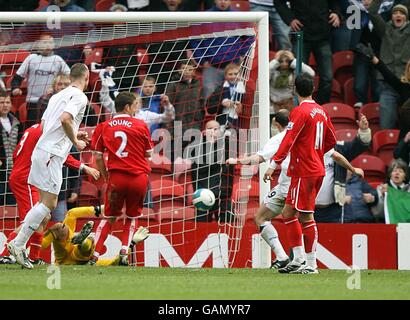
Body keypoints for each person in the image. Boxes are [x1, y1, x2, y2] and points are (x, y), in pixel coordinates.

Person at [227, 109, 364, 268]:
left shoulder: (279, 138)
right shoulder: (310, 136)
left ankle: (297, 259)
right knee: (278, 217)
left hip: (292, 185)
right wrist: (353, 169)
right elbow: (336, 155)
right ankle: (289, 258)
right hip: (295, 185)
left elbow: (258, 158)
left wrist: (237, 161)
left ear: (275, 124)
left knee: (279, 217)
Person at [7, 63, 90, 269]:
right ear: (86, 77)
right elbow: (64, 119)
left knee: (43, 205)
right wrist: (75, 141)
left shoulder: (56, 96)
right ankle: (17, 244)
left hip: (41, 151)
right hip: (52, 154)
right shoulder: (79, 96)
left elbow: (46, 126)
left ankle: (17, 244)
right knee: (49, 204)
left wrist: (74, 132)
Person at [263, 73, 337, 274]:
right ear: (312, 89)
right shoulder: (321, 111)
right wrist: (314, 151)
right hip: (312, 168)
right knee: (289, 213)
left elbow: (288, 139)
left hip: (305, 170)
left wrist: (273, 164)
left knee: (305, 216)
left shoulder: (299, 111)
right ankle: (298, 259)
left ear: (295, 90)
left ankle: (311, 265)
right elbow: (331, 140)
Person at [0, 121, 99, 265]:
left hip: (27, 175)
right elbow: (60, 156)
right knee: (33, 219)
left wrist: (74, 135)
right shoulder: (46, 133)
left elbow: (17, 153)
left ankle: (34, 257)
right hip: (26, 178)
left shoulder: (34, 128)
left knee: (44, 216)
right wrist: (84, 167)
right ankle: (6, 254)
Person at [89, 92, 154, 266]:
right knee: (132, 217)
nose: (137, 108)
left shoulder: (103, 126)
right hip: (138, 178)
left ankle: (94, 255)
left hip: (116, 177)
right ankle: (124, 251)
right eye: (135, 105)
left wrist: (106, 177)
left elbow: (97, 157)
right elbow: (149, 153)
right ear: (127, 107)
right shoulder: (140, 125)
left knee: (109, 217)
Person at [275, 0, 341, 105]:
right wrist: (290, 19)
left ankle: (319, 108)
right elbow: (279, 2)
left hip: (323, 36)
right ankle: (300, 107)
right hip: (301, 35)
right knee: (298, 76)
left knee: (327, 77)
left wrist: (336, 13)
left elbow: (335, 3)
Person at [41, 205, 149, 266]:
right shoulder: (95, 263)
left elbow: (72, 213)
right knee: (88, 240)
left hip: (62, 257)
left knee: (60, 228)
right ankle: (83, 242)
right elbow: (115, 262)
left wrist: (99, 209)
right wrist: (132, 243)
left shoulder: (95, 263)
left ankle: (34, 251)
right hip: (74, 254)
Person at [314, 115, 372, 222]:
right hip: (308, 209)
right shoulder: (304, 149)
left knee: (334, 238)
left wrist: (364, 131)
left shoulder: (339, 149)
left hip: (333, 209)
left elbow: (358, 146)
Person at [11, 34, 70, 129]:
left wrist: (56, 87)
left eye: (50, 42)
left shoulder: (57, 60)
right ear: (38, 44)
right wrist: (15, 88)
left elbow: (70, 77)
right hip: (32, 102)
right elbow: (17, 77)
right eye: (44, 42)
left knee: (49, 128)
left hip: (51, 102)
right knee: (33, 128)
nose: (47, 45)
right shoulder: (31, 58)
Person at [368, 2, 410, 129]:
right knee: (385, 126)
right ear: (391, 17)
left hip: (408, 86)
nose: (398, 15)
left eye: (402, 13)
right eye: (395, 13)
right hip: (388, 85)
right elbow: (372, 13)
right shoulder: (385, 29)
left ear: (406, 18)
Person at [190, 120, 234, 222]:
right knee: (201, 228)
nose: (213, 131)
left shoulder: (226, 145)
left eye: (216, 129)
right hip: (203, 195)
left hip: (223, 195)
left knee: (228, 226)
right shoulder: (197, 146)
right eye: (210, 129)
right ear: (204, 132)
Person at [269, 50, 315, 114]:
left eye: (287, 61)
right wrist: (276, 60)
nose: (284, 63)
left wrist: (293, 60)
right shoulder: (272, 72)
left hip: (289, 105)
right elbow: (264, 75)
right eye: (281, 61)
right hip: (273, 106)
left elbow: (311, 73)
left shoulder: (294, 71)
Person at [206, 63, 244, 129]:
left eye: (236, 74)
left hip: (241, 123)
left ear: (240, 75)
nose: (233, 76)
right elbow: (209, 108)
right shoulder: (219, 89)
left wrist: (241, 108)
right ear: (225, 76)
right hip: (222, 123)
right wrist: (221, 104)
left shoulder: (245, 89)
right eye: (230, 74)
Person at [0, 93, 22, 206]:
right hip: (1, 171)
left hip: (14, 170)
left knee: (12, 205)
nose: (5, 105)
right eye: (1, 102)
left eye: (7, 102)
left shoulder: (17, 122)